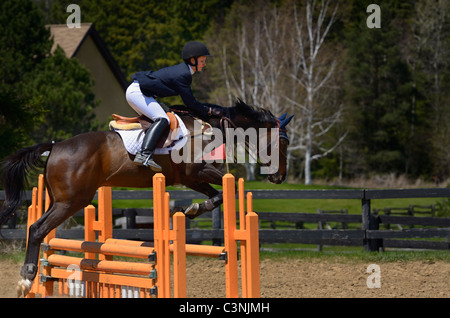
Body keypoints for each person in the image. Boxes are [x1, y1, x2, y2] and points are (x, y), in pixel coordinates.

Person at [126, 41, 222, 171]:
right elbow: (190, 103)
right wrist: (209, 110)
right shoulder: (183, 75)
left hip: (141, 92)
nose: (205, 64)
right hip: (138, 93)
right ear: (192, 60)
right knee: (162, 119)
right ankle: (144, 154)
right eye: (202, 60)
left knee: (158, 118)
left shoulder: (184, 72)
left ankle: (147, 150)